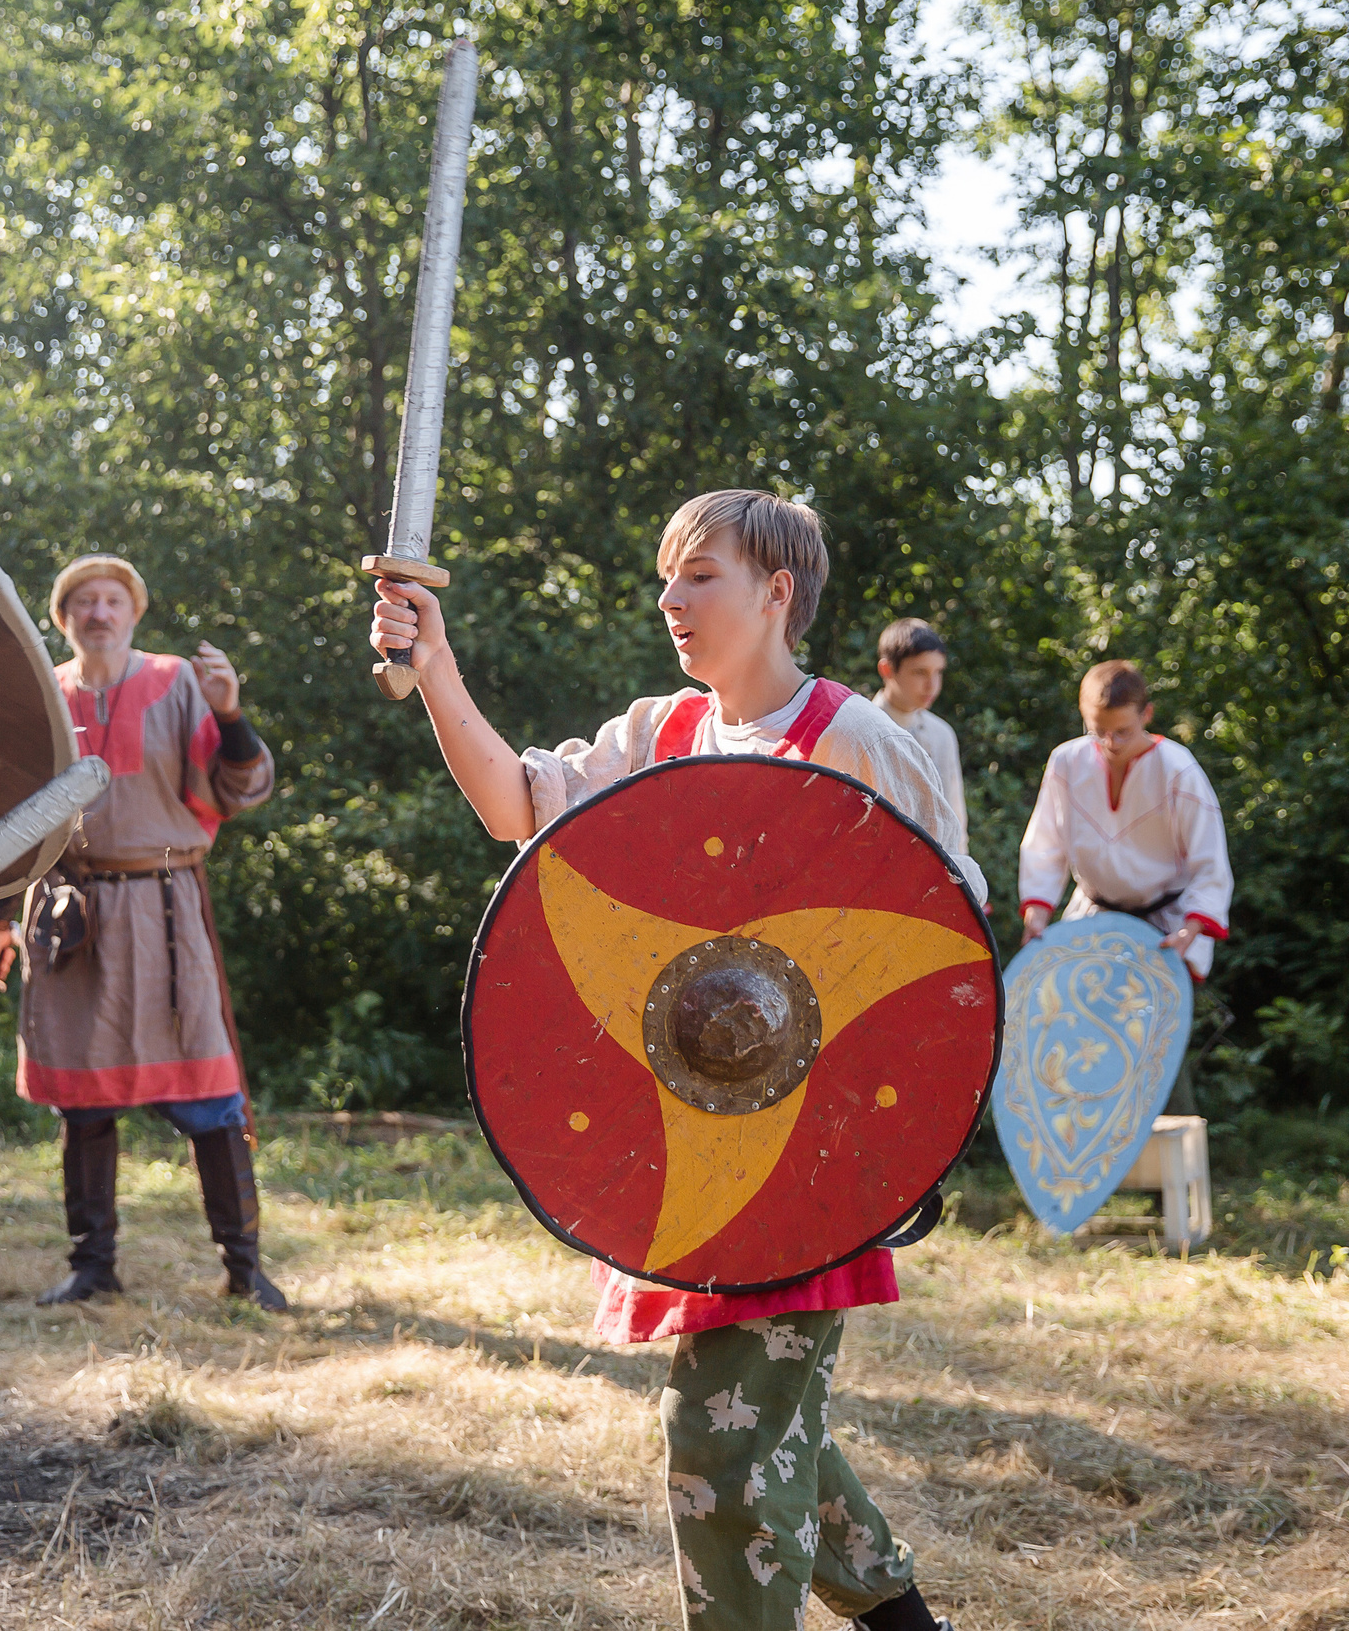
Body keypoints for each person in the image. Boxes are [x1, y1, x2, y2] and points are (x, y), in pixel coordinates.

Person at [369, 489, 967, 1631]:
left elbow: (945, 941)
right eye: (665, 578)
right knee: (761, 1424)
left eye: (700, 576)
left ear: (776, 593)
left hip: (806, 1150)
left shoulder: (852, 740)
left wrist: (897, 1139)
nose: (670, 600)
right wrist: (435, 668)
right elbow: (515, 808)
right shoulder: (661, 735)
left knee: (721, 1438)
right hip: (689, 1137)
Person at [0, 553, 286, 1310]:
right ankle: (93, 1266)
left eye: (113, 600)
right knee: (83, 1096)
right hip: (69, 916)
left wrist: (231, 712)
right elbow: (14, 822)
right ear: (65, 617)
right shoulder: (46, 692)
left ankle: (244, 1268)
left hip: (163, 911)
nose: (100, 612)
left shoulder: (179, 682)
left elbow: (242, 787)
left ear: (133, 613)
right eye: (85, 602)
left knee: (209, 1088)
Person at [1017, 659, 1233, 980]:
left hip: (1165, 926)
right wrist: (1037, 914)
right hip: (1091, 916)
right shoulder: (1067, 761)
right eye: (1098, 731)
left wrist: (1190, 931)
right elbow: (1045, 843)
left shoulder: (1178, 770)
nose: (1110, 743)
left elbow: (1210, 860)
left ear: (1146, 714)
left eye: (1122, 732)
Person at [869, 618, 965, 834]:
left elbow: (955, 819)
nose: (932, 685)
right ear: (887, 669)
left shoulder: (942, 734)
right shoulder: (861, 730)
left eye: (938, 672)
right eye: (920, 672)